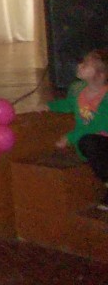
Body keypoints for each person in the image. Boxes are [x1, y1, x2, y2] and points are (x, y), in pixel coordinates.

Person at [49, 49, 108, 212]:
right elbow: (69, 104)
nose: (80, 66)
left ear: (100, 75)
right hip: (90, 143)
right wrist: (49, 106)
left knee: (88, 141)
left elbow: (97, 127)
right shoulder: (77, 88)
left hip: (102, 142)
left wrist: (70, 137)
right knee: (87, 142)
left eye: (86, 64)